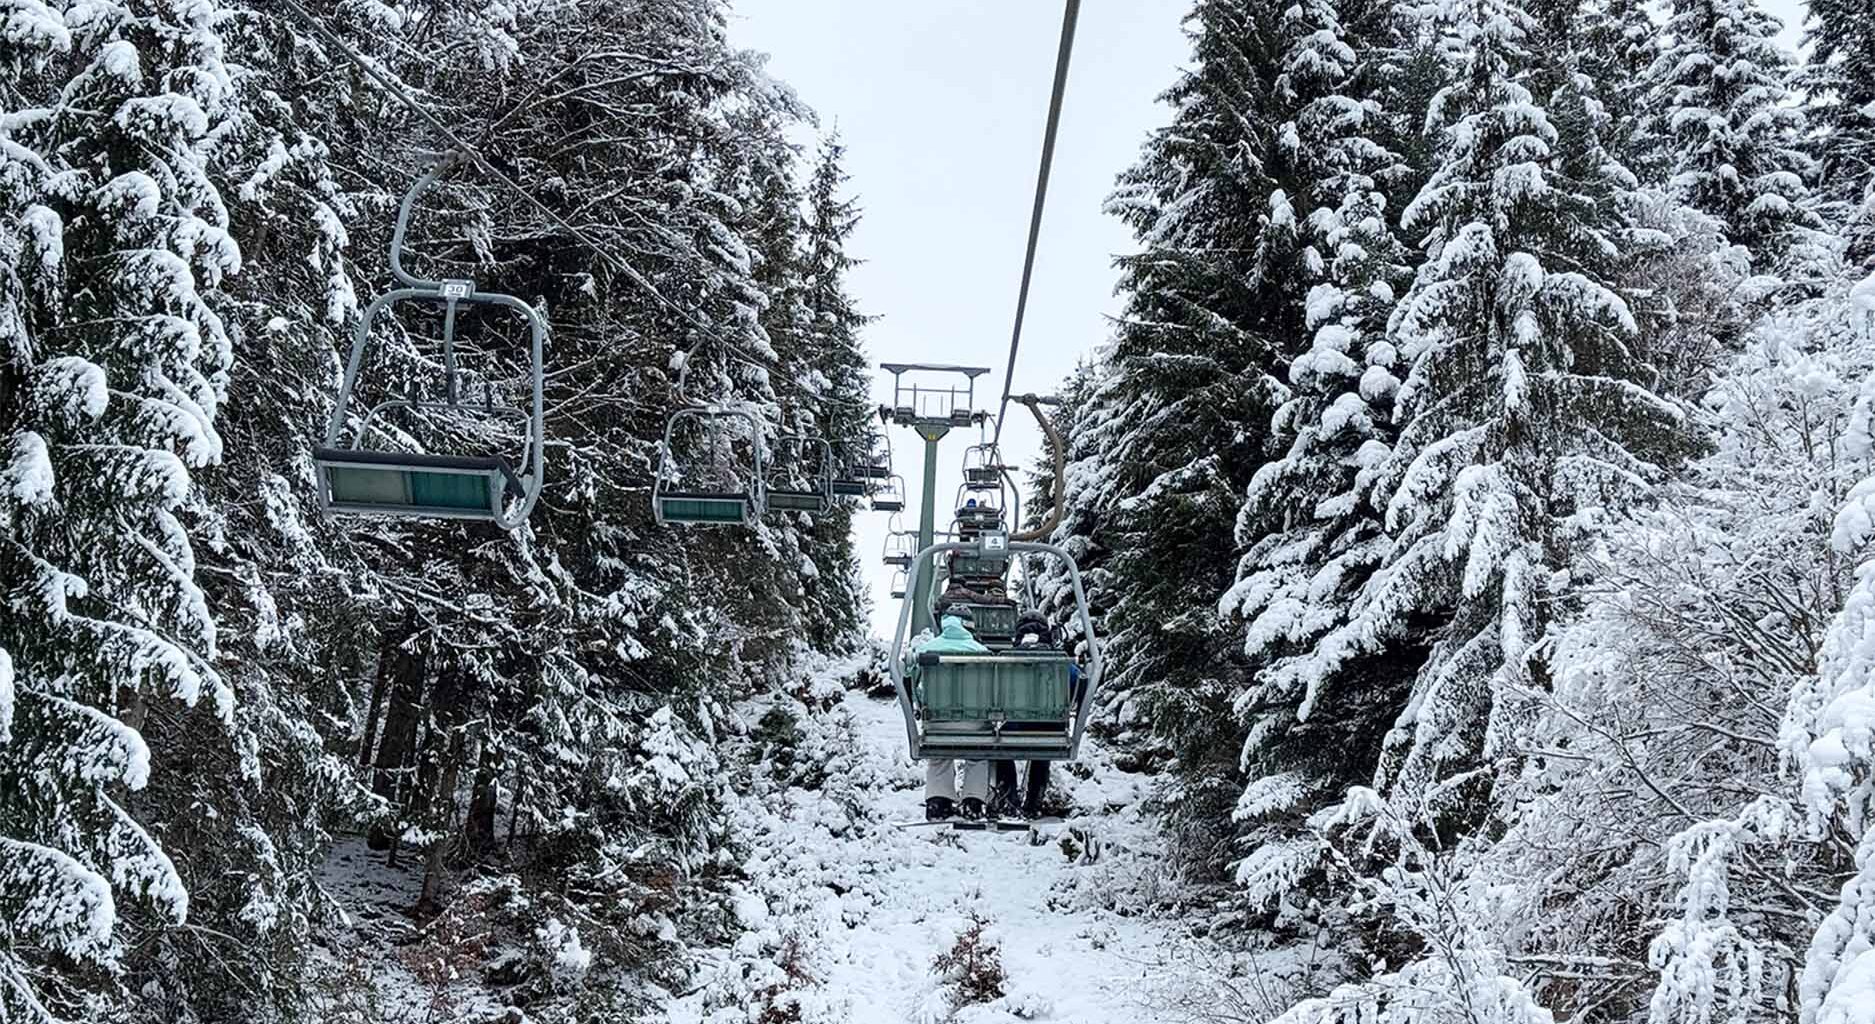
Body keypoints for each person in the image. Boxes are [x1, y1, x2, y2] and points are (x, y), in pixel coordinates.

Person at [912, 613, 992, 821]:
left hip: (937, 721)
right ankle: (973, 802)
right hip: (974, 722)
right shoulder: (981, 651)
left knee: (939, 755)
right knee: (977, 755)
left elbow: (913, 680)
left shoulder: (927, 649)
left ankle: (938, 803)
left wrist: (920, 704)